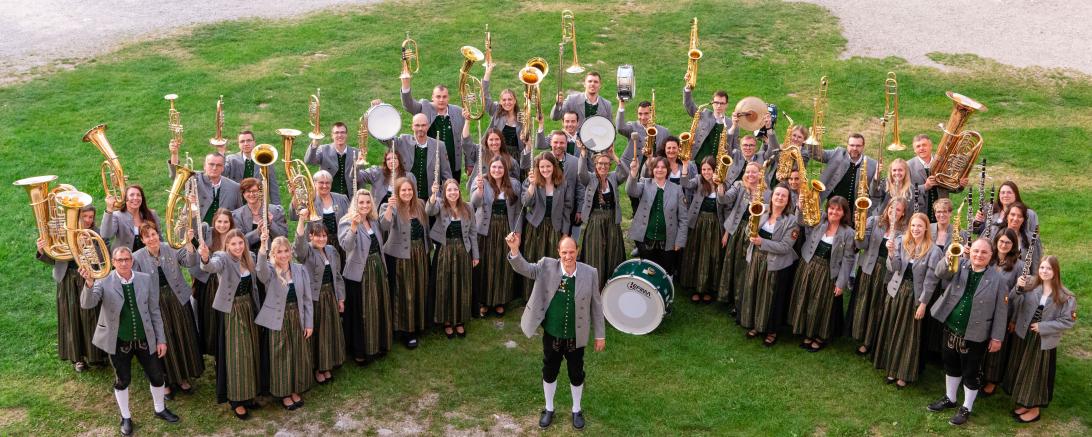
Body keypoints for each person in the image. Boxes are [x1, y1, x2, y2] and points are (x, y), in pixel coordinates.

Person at [507, 234, 605, 431]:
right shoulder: (546, 266)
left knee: (576, 373)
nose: (568, 256)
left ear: (577, 251)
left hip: (576, 336)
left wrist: (600, 335)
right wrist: (515, 250)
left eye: (571, 252)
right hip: (552, 334)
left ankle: (576, 409)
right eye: (564, 252)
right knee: (549, 370)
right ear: (558, 253)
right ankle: (549, 408)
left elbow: (596, 304)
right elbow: (524, 268)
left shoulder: (590, 273)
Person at [79, 247, 179, 435]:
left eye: (127, 259)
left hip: (145, 338)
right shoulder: (104, 281)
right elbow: (87, 303)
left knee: (157, 376)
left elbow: (154, 311)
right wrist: (90, 283)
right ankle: (125, 416)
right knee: (122, 380)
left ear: (131, 261)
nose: (124, 263)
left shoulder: (145, 279)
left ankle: (159, 409)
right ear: (113, 262)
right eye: (119, 260)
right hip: (118, 341)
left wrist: (161, 339)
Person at [925, 238, 1008, 426]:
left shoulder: (998, 280)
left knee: (971, 371)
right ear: (970, 251)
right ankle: (950, 398)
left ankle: (966, 407)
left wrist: (997, 337)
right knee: (950, 363)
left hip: (976, 333)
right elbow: (940, 273)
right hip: (951, 325)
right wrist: (948, 259)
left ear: (991, 256)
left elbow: (1001, 312)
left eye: (984, 252)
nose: (978, 255)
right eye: (976, 251)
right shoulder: (959, 264)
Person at [871, 212, 942, 388]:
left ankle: (903, 373)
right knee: (892, 329)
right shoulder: (903, 242)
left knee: (908, 335)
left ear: (926, 228)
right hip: (896, 292)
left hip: (914, 297)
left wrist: (923, 304)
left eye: (919, 225)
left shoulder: (934, 251)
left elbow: (930, 282)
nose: (916, 229)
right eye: (913, 225)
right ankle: (890, 368)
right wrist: (891, 253)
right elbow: (894, 268)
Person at [132, 224, 204, 398]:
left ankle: (182, 377)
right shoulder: (137, 257)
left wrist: (189, 245)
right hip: (156, 304)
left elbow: (190, 262)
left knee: (182, 336)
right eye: (147, 236)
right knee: (164, 339)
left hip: (178, 299)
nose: (152, 239)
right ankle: (165, 381)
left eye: (154, 234)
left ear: (159, 234)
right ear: (142, 240)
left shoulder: (170, 248)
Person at [1005, 256, 1078, 424]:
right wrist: (1018, 287)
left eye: (1049, 269)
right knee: (1022, 368)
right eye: (1042, 268)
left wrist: (1043, 327)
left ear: (1056, 272)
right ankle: (1025, 403)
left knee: (1036, 373)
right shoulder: (1030, 285)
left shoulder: (1065, 296)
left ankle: (1035, 409)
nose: (1045, 271)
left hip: (1042, 340)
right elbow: (1012, 299)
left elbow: (1068, 321)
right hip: (1025, 336)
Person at [198, 229, 261, 420]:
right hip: (232, 311)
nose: (237, 247)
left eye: (240, 243)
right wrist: (205, 258)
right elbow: (210, 267)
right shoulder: (222, 258)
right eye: (233, 244)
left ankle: (249, 394)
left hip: (249, 308)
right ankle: (236, 400)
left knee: (251, 351)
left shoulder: (249, 257)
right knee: (237, 355)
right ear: (227, 245)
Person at [36, 204, 106, 372]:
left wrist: (88, 246)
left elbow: (103, 258)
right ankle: (78, 359)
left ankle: (96, 355)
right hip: (67, 279)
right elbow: (54, 259)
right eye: (85, 217)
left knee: (90, 316)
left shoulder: (95, 233)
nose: (88, 220)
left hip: (88, 278)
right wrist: (42, 250)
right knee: (71, 316)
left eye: (91, 217)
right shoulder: (64, 233)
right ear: (77, 217)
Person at [789, 196, 855, 352]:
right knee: (805, 298)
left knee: (820, 304)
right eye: (831, 208)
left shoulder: (848, 233)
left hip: (827, 272)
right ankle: (807, 331)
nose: (834, 211)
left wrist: (840, 283)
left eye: (838, 209)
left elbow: (848, 260)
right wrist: (800, 206)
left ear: (844, 213)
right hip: (808, 265)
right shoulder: (819, 220)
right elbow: (801, 221)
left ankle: (819, 336)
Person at [255, 234, 314, 410]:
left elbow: (307, 298)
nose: (283, 255)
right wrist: (262, 246)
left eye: (286, 251)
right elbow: (260, 271)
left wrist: (309, 323)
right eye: (279, 252)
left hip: (297, 316)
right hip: (278, 319)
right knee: (281, 355)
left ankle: (296, 388)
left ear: (290, 251)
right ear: (273, 254)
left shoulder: (299, 269)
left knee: (297, 353)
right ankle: (284, 392)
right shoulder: (270, 271)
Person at [739, 185, 798, 346]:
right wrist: (751, 235)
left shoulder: (792, 221)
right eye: (777, 194)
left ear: (788, 201)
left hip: (776, 265)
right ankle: (757, 326)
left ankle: (772, 330)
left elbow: (786, 247)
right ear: (771, 196)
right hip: (756, 258)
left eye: (783, 196)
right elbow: (748, 229)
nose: (779, 198)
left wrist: (761, 242)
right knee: (755, 291)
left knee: (772, 298)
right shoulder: (762, 209)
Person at [338, 190, 392, 363]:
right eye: (361, 202)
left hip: (376, 268)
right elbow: (346, 245)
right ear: (355, 203)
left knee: (378, 307)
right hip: (359, 274)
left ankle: (380, 344)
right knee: (363, 311)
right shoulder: (346, 222)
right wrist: (354, 227)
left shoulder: (373, 220)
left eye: (368, 202)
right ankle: (361, 350)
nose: (365, 205)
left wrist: (390, 207)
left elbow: (385, 227)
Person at [849, 198, 908, 356]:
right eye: (891, 208)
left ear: (903, 213)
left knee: (878, 307)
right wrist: (859, 229)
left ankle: (872, 341)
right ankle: (861, 335)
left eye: (897, 210)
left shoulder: (905, 232)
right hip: (869, 269)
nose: (893, 212)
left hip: (888, 273)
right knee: (864, 303)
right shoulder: (874, 221)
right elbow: (862, 246)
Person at [380, 178, 431, 348]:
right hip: (401, 257)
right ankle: (405, 330)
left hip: (420, 254)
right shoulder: (390, 206)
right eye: (403, 190)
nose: (407, 193)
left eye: (409, 190)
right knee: (404, 293)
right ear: (396, 192)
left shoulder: (420, 204)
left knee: (419, 288)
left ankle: (419, 324)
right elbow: (384, 226)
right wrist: (389, 208)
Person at [294, 217, 345, 384]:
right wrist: (301, 220)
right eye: (317, 236)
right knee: (317, 332)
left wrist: (341, 298)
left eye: (324, 236)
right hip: (314, 299)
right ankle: (317, 367)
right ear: (310, 236)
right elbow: (299, 246)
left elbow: (337, 276)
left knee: (329, 330)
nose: (321, 239)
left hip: (330, 295)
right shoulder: (306, 252)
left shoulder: (331, 250)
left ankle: (327, 364)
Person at [471, 157, 524, 317]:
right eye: (494, 167)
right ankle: (483, 301)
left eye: (500, 168)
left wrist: (518, 232)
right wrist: (479, 191)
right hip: (485, 229)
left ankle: (500, 300)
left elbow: (518, 211)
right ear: (489, 167)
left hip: (506, 229)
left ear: (505, 169)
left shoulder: (514, 184)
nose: (497, 170)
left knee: (502, 264)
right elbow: (474, 203)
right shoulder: (481, 181)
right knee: (486, 264)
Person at [426, 179, 479, 338]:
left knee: (462, 284)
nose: (452, 193)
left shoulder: (468, 207)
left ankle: (460, 320)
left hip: (463, 251)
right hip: (445, 251)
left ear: (459, 191)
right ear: (444, 192)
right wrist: (433, 195)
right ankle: (447, 321)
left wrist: (475, 255)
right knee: (445, 285)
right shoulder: (440, 205)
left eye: (455, 190)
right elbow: (429, 211)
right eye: (449, 190)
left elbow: (473, 233)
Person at [521, 153, 574, 298]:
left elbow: (567, 208)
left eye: (548, 166)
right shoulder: (531, 181)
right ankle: (531, 295)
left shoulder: (562, 183)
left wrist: (564, 232)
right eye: (542, 167)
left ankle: (551, 295)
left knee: (552, 262)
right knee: (534, 259)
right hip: (535, 227)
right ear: (538, 168)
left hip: (554, 227)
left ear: (554, 166)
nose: (545, 169)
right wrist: (532, 185)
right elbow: (525, 203)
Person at [980, 228, 1025, 396]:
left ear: (1013, 245)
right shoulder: (989, 260)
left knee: (997, 349)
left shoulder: (1018, 266)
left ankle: (992, 381)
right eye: (1001, 241)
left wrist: (1013, 319)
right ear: (996, 242)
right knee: (983, 344)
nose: (1004, 245)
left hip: (1004, 313)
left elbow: (1019, 297)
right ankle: (980, 374)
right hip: (985, 310)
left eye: (1008, 242)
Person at [627, 156, 689, 276]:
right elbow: (631, 190)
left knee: (664, 272)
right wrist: (633, 173)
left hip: (668, 240)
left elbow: (683, 218)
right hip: (645, 239)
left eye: (663, 167)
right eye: (657, 167)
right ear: (652, 169)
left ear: (667, 170)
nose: (659, 170)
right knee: (647, 271)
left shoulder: (677, 189)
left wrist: (679, 241)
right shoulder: (645, 183)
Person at [576, 146, 627, 289]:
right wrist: (583, 154)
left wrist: (615, 157)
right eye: (600, 164)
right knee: (595, 251)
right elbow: (581, 173)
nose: (603, 166)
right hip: (595, 219)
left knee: (612, 251)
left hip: (611, 218)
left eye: (606, 164)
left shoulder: (613, 177)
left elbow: (626, 173)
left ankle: (612, 286)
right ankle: (595, 285)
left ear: (609, 165)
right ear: (595, 165)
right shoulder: (590, 178)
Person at [400, 78, 469, 181]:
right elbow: (408, 105)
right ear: (432, 97)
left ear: (448, 98)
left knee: (452, 194)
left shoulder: (458, 112)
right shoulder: (424, 107)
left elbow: (465, 139)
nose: (441, 100)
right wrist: (405, 85)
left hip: (453, 165)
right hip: (429, 166)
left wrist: (469, 163)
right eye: (438, 97)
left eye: (444, 97)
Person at [719, 162, 764, 311]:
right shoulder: (739, 185)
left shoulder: (766, 192)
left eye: (754, 172)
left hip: (752, 233)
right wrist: (720, 185)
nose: (751, 175)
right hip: (737, 230)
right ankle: (730, 298)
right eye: (748, 172)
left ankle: (742, 302)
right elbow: (724, 200)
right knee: (732, 264)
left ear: (760, 174)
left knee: (746, 267)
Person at [680, 157, 725, 303]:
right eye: (704, 169)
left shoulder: (721, 183)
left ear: (715, 170)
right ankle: (695, 288)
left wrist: (720, 185)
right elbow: (685, 183)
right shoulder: (698, 180)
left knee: (711, 256)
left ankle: (707, 288)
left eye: (709, 169)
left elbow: (725, 203)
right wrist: (685, 165)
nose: (706, 172)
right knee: (696, 253)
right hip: (699, 223)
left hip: (715, 225)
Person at [190, 208, 234, 356]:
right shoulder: (207, 232)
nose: (222, 225)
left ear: (231, 223)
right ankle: (214, 349)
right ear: (214, 222)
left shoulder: (234, 236)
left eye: (226, 222)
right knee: (211, 317)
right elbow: (191, 232)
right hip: (210, 283)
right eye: (219, 221)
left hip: (228, 281)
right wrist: (193, 212)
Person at [809, 133, 880, 221]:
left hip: (854, 212)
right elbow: (817, 155)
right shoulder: (838, 153)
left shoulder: (872, 164)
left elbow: (875, 192)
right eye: (852, 145)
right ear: (847, 145)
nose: (854, 148)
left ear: (863, 146)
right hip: (833, 207)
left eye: (858, 146)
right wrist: (813, 139)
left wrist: (876, 179)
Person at [168, 149, 243, 224]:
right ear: (204, 166)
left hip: (222, 231)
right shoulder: (194, 178)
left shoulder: (234, 187)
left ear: (223, 168)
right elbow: (177, 175)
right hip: (194, 229)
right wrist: (174, 154)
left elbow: (238, 214)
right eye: (211, 164)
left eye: (218, 165)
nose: (214, 168)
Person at [906, 134, 968, 222]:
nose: (921, 148)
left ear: (931, 146)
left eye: (924, 145)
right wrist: (925, 187)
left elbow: (952, 187)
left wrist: (959, 184)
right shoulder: (908, 166)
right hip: (919, 214)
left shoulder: (944, 162)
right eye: (918, 146)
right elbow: (905, 191)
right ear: (914, 150)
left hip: (942, 212)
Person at [392, 113, 454, 200]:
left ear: (428, 126)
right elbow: (386, 138)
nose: (420, 128)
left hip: (430, 198)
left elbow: (447, 175)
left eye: (423, 125)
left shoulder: (439, 145)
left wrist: (446, 194)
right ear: (412, 126)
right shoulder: (403, 140)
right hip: (406, 197)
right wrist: (377, 110)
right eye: (417, 125)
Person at [290, 170, 349, 257]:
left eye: (327, 183)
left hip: (340, 243)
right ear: (314, 183)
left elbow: (350, 219)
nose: (325, 186)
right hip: (317, 244)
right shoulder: (308, 199)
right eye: (321, 182)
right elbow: (294, 216)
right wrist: (294, 196)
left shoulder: (342, 198)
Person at [481, 64, 528, 158]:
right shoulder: (496, 111)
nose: (507, 102)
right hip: (496, 153)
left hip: (516, 156)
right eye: (504, 100)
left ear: (515, 101)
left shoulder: (522, 116)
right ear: (500, 101)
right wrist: (487, 73)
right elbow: (484, 97)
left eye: (510, 99)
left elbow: (527, 139)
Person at [224, 130, 282, 205]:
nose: (246, 144)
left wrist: (277, 208)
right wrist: (221, 152)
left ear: (254, 142)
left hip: (258, 203)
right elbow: (221, 174)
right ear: (238, 144)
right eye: (242, 141)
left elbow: (273, 186)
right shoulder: (231, 159)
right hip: (237, 203)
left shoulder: (265, 160)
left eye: (249, 140)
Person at [232, 178, 288, 253]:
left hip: (273, 255)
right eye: (248, 191)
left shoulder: (275, 211)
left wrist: (271, 224)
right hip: (247, 256)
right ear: (243, 194)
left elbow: (283, 236)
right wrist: (257, 232)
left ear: (260, 192)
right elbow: (239, 241)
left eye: (255, 191)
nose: (251, 194)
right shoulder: (237, 215)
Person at [303, 122, 359, 196]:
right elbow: (309, 161)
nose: (340, 135)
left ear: (346, 135)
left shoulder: (355, 152)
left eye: (343, 132)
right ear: (332, 136)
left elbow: (360, 177)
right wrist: (314, 144)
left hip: (349, 198)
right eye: (336, 133)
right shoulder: (323, 149)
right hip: (327, 196)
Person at [101, 184, 161, 252]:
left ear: (142, 198)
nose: (135, 198)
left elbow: (159, 238)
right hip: (124, 258)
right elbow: (105, 235)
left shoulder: (152, 214)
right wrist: (109, 209)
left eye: (138, 195)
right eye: (131, 195)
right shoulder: (117, 216)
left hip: (147, 257)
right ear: (125, 199)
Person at [682, 88, 734, 164]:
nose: (719, 106)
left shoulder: (731, 124)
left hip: (717, 165)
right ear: (712, 103)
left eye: (722, 103)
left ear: (726, 105)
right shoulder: (704, 114)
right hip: (697, 160)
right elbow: (689, 106)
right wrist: (687, 90)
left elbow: (735, 146)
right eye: (716, 102)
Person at [973, 180, 1039, 238]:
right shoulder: (990, 209)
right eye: (1002, 192)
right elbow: (976, 231)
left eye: (1009, 192)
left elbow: (1034, 238)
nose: (1005, 195)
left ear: (1016, 194)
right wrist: (977, 222)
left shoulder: (1028, 213)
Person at [617, 100, 672, 168]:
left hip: (657, 170)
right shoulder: (632, 126)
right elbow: (620, 128)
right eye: (640, 114)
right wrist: (621, 104)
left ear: (652, 114)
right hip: (636, 168)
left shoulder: (664, 132)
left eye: (646, 113)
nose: (643, 117)